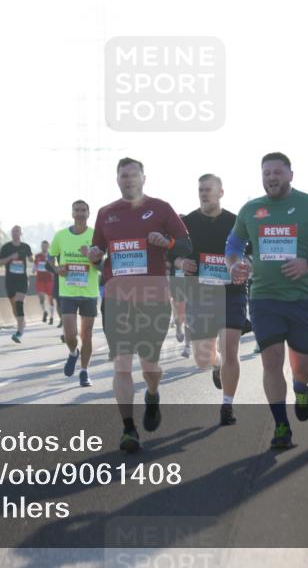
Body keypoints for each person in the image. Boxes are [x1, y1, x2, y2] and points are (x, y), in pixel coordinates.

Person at [226, 152, 308, 449]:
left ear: (290, 174)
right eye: (266, 173)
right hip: (264, 298)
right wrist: (234, 265)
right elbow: (233, 244)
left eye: (277, 172)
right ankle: (281, 425)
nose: (272, 178)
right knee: (271, 362)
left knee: (303, 367)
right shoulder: (251, 210)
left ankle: (301, 386)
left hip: (302, 299)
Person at [87, 158, 191, 453]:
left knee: (149, 365)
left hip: (153, 297)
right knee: (121, 364)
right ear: (116, 179)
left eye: (133, 175)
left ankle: (153, 394)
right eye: (123, 176)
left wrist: (167, 243)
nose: (128, 179)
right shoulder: (106, 213)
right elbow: (98, 254)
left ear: (144, 178)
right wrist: (94, 255)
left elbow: (185, 245)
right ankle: (128, 429)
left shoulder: (161, 208)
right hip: (116, 299)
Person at [172, 174, 247, 426]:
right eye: (200, 190)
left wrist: (244, 266)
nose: (204, 194)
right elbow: (172, 257)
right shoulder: (188, 223)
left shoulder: (236, 222)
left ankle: (227, 405)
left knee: (230, 349)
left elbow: (251, 255)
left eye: (208, 189)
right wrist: (183, 262)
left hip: (231, 293)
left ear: (221, 193)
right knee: (203, 358)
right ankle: (216, 366)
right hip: (200, 295)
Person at [49, 200, 99, 387]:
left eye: (83, 210)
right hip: (68, 291)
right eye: (76, 210)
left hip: (89, 292)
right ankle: (73, 353)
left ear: (88, 213)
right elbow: (51, 255)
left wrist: (92, 256)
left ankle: (84, 372)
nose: (80, 213)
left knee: (87, 336)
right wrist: (56, 268)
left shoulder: (96, 236)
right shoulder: (61, 236)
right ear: (72, 214)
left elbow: (102, 262)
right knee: (70, 335)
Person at [0, 226, 33, 344]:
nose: (15, 233)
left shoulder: (25, 247)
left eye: (17, 231)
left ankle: (19, 331)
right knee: (14, 307)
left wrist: (32, 259)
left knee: (19, 302)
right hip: (10, 280)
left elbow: (31, 258)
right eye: (13, 231)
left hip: (22, 280)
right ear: (11, 233)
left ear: (21, 233)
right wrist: (10, 258)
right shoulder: (6, 247)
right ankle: (21, 323)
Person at [33, 240, 56, 324]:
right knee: (41, 297)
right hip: (40, 279)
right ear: (41, 246)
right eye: (43, 245)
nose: (44, 247)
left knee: (50, 299)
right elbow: (35, 265)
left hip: (49, 280)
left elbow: (55, 266)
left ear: (48, 247)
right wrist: (34, 269)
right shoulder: (37, 256)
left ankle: (52, 317)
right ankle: (44, 312)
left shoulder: (51, 256)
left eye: (46, 246)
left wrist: (53, 272)